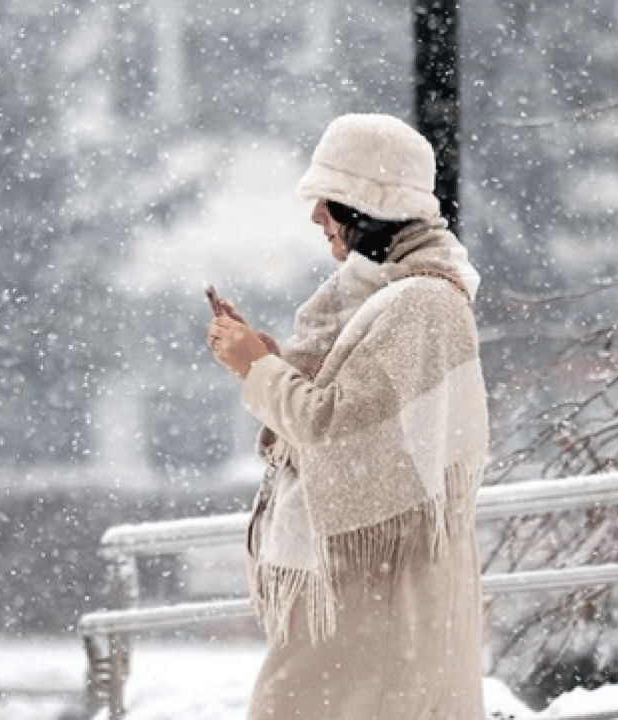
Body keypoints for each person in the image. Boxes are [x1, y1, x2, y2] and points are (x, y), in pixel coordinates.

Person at [206, 113, 490, 720]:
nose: (316, 219)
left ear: (368, 207)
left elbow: (336, 429)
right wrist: (268, 362)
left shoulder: (420, 305)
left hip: (379, 601)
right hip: (363, 594)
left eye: (328, 203)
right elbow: (357, 417)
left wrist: (257, 370)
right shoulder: (380, 298)